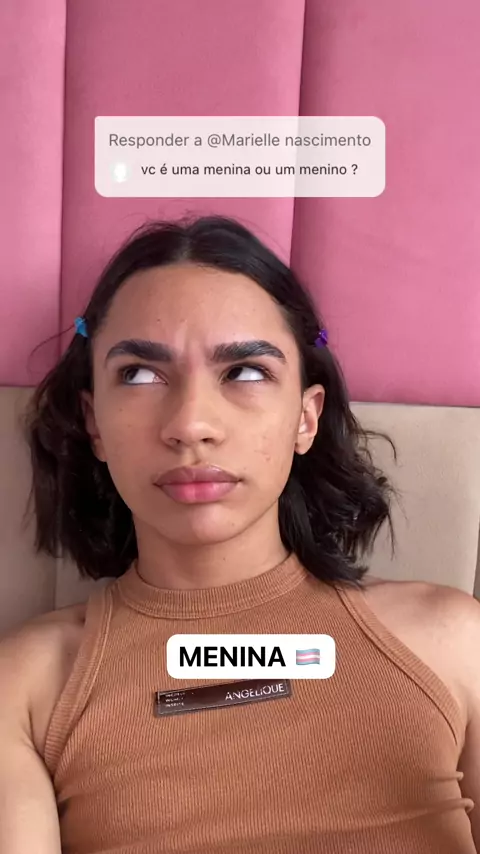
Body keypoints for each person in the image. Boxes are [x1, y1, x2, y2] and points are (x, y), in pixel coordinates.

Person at [0, 214, 479, 854]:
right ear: (94, 423)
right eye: (139, 374)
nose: (191, 424)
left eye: (246, 372)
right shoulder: (26, 687)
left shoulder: (454, 642)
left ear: (305, 418)